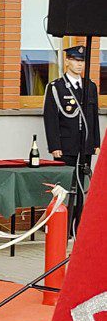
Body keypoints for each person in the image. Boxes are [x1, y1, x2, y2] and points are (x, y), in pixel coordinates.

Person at [43, 44, 100, 230]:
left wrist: (95, 142)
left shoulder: (90, 86)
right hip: (65, 146)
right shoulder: (56, 87)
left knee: (82, 187)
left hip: (85, 145)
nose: (79, 64)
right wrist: (54, 145)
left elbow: (93, 117)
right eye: (75, 60)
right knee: (64, 186)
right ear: (67, 61)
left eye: (82, 61)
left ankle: (78, 226)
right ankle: (62, 227)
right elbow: (51, 118)